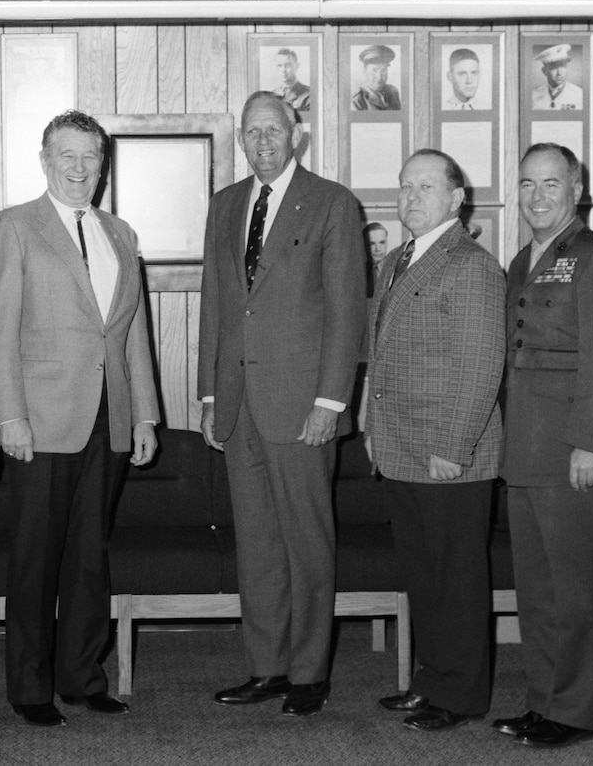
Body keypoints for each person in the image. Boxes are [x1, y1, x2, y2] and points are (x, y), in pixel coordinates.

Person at [0, 110, 159, 728]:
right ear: (46, 160)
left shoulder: (119, 232)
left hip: (110, 419)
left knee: (89, 555)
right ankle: (30, 686)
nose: (81, 168)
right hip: (42, 416)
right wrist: (8, 417)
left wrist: (145, 416)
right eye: (69, 156)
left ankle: (82, 676)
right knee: (35, 557)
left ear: (102, 165)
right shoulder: (15, 227)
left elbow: (132, 330)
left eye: (91, 157)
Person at [200, 91, 365, 717]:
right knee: (259, 545)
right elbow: (218, 303)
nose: (262, 141)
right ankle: (266, 667)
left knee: (307, 540)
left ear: (297, 133)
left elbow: (347, 310)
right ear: (241, 139)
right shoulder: (225, 205)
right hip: (239, 403)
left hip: (302, 405)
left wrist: (330, 400)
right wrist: (211, 395)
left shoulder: (330, 202)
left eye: (273, 130)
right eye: (251, 132)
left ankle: (308, 672)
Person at [492, 143, 593, 749]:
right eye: (527, 185)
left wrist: (592, 443)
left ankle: (572, 712)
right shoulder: (524, 259)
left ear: (576, 188)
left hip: (576, 450)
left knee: (578, 589)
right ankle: (542, 701)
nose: (537, 196)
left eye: (550, 184)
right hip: (525, 449)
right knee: (538, 588)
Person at [364, 148, 504, 732]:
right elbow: (381, 351)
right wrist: (373, 429)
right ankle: (431, 680)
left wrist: (454, 445)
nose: (411, 197)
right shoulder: (396, 258)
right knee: (424, 575)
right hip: (400, 446)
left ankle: (461, 695)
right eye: (404, 187)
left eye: (425, 187)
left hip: (448, 453)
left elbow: (481, 363)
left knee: (457, 579)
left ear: (455, 199)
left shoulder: (469, 264)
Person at [530, 44, 583, 110]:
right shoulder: (534, 95)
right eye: (554, 68)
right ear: (544, 71)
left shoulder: (579, 94)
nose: (559, 73)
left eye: (563, 66)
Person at [352, 45, 401, 111]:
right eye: (374, 70)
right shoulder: (357, 100)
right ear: (365, 70)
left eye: (383, 70)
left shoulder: (393, 92)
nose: (379, 77)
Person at [366, 221, 390, 294]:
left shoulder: (396, 269)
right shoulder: (357, 271)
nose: (378, 249)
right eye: (372, 244)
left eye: (382, 242)